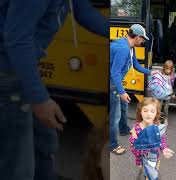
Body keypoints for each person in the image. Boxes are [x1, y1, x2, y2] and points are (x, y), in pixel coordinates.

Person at [0, 0, 109, 179]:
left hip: (19, 71)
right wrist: (40, 99)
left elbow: (83, 12)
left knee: (45, 143)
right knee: (17, 166)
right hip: (7, 76)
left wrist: (125, 35)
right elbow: (17, 40)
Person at [110, 24, 155, 155]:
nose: (143, 41)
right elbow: (115, 73)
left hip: (116, 81)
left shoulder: (130, 47)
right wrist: (122, 92)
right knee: (114, 116)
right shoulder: (123, 48)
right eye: (142, 39)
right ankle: (112, 144)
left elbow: (135, 65)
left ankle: (123, 129)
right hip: (112, 83)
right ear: (137, 37)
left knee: (124, 105)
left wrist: (150, 72)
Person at [129, 97, 174, 180]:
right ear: (140, 112)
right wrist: (139, 159)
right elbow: (133, 147)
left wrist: (164, 148)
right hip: (142, 158)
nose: (148, 114)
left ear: (156, 113)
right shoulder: (136, 128)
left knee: (152, 173)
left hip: (154, 156)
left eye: (152, 111)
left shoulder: (156, 126)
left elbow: (161, 139)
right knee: (149, 174)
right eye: (145, 110)